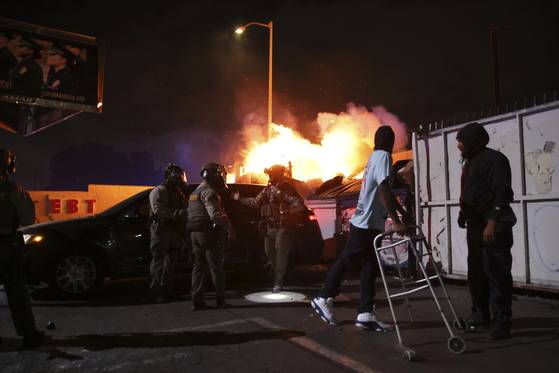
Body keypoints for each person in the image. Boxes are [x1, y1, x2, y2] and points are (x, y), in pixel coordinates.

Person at [311, 126, 409, 330]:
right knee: (349, 258)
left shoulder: (374, 156)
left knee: (370, 267)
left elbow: (385, 190)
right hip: (366, 223)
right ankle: (323, 296)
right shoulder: (383, 156)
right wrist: (396, 220)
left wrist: (402, 212)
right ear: (390, 142)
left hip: (369, 222)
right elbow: (383, 189)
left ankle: (365, 313)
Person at [456, 122, 516, 340]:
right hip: (475, 225)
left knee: (497, 272)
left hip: (494, 224)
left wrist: (492, 222)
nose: (459, 146)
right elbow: (470, 191)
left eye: (461, 141)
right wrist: (463, 213)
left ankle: (502, 321)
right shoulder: (470, 162)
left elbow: (502, 192)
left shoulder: (496, 160)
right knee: (477, 272)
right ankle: (481, 314)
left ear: (472, 139)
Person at [232, 164, 305, 293]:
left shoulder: (287, 189)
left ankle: (278, 283)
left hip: (283, 228)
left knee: (281, 256)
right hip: (269, 228)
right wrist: (240, 199)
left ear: (278, 175)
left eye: (272, 174)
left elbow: (299, 204)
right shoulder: (267, 190)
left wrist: (287, 207)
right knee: (270, 254)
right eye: (269, 174)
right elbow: (255, 202)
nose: (270, 176)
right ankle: (280, 275)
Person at [0, 146, 45, 349]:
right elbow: (27, 219)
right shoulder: (12, 190)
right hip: (6, 249)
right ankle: (29, 336)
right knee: (17, 295)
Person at [187, 162, 235, 310]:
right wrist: (230, 229)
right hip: (207, 234)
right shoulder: (209, 191)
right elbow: (215, 214)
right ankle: (220, 300)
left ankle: (197, 300)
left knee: (198, 268)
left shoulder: (196, 191)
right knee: (216, 267)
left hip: (194, 234)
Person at [147, 163, 188, 303]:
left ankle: (168, 291)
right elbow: (158, 210)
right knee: (158, 263)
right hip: (161, 230)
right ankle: (155, 292)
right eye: (179, 176)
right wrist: (177, 213)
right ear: (172, 176)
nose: (181, 179)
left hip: (174, 231)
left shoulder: (177, 192)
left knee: (170, 263)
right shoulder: (158, 191)